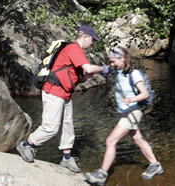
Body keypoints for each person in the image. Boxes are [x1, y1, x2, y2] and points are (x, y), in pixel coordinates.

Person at [16, 25, 110, 173]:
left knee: (67, 126)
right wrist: (106, 68)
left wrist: (86, 77)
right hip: (53, 91)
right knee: (51, 127)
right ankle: (26, 145)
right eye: (92, 40)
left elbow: (77, 80)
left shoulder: (74, 51)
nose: (92, 44)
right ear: (85, 37)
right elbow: (90, 68)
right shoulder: (74, 49)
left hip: (65, 93)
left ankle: (66, 158)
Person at [84, 46, 163, 185]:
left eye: (113, 61)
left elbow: (145, 94)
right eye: (110, 61)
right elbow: (102, 69)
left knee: (110, 141)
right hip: (126, 113)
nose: (111, 64)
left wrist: (131, 99)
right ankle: (155, 165)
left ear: (123, 58)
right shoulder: (117, 70)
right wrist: (88, 68)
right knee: (138, 139)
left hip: (132, 112)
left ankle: (101, 174)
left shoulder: (135, 74)